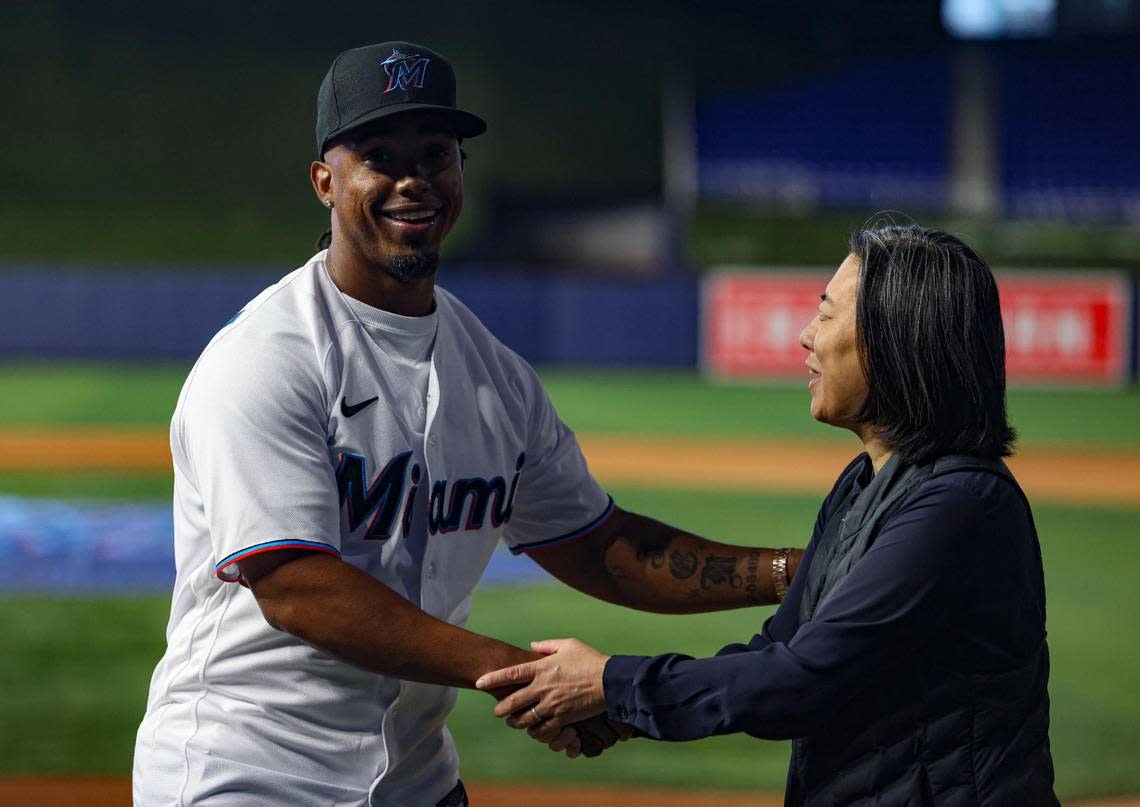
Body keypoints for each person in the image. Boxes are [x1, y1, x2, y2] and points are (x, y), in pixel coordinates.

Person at [132, 41, 803, 807]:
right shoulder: (265, 358)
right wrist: (525, 672)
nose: (413, 179)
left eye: (437, 154)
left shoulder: (496, 377)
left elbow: (604, 546)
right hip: (250, 773)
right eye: (380, 156)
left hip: (417, 781)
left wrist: (797, 571)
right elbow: (298, 588)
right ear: (325, 181)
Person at [478, 225, 1060, 806]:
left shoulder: (960, 504)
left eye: (827, 316)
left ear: (898, 340)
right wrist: (615, 707)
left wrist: (610, 682)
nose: (806, 336)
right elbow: (775, 650)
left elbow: (801, 680)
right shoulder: (865, 483)